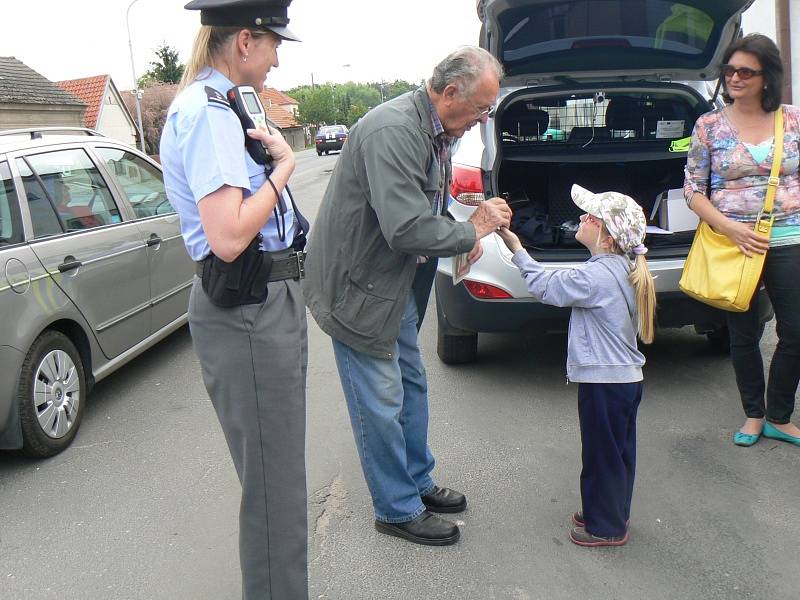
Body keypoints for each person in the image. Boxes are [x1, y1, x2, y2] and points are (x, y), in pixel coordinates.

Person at [303, 46, 511, 546]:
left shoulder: (435, 129)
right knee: (380, 399)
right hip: (359, 290)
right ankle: (395, 509)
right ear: (450, 91)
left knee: (410, 385)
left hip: (392, 285)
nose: (483, 119)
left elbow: (423, 208)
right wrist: (472, 230)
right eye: (481, 108)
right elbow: (405, 228)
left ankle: (416, 482)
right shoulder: (393, 130)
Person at [159, 1, 309, 598]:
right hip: (250, 307)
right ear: (245, 41)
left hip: (263, 303)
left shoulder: (224, 104)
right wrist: (285, 167)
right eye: (274, 43)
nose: (276, 59)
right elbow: (227, 237)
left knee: (278, 485)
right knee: (276, 496)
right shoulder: (209, 112)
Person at [497, 184, 656, 547]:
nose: (581, 218)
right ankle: (611, 509)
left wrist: (517, 248)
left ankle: (606, 527)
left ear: (604, 232)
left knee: (602, 455)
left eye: (589, 215)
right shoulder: (620, 266)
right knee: (617, 452)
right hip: (625, 381)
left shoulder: (596, 276)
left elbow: (545, 286)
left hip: (605, 383)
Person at [683, 33, 800, 448]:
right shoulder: (709, 126)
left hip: (789, 237)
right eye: (729, 70)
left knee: (795, 331)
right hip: (732, 243)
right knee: (744, 334)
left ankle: (779, 416)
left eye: (745, 71)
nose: (734, 77)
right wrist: (729, 228)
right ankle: (754, 414)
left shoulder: (793, 120)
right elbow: (693, 189)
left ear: (767, 77)